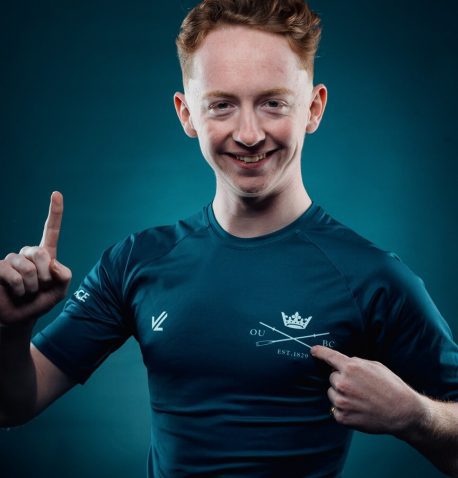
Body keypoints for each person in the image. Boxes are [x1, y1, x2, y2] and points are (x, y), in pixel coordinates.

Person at [1, 0, 457, 476]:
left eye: (273, 103)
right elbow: (12, 406)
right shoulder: (134, 261)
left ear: (313, 108)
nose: (249, 134)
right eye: (222, 105)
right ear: (187, 114)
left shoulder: (371, 277)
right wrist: (11, 330)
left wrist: (417, 416)